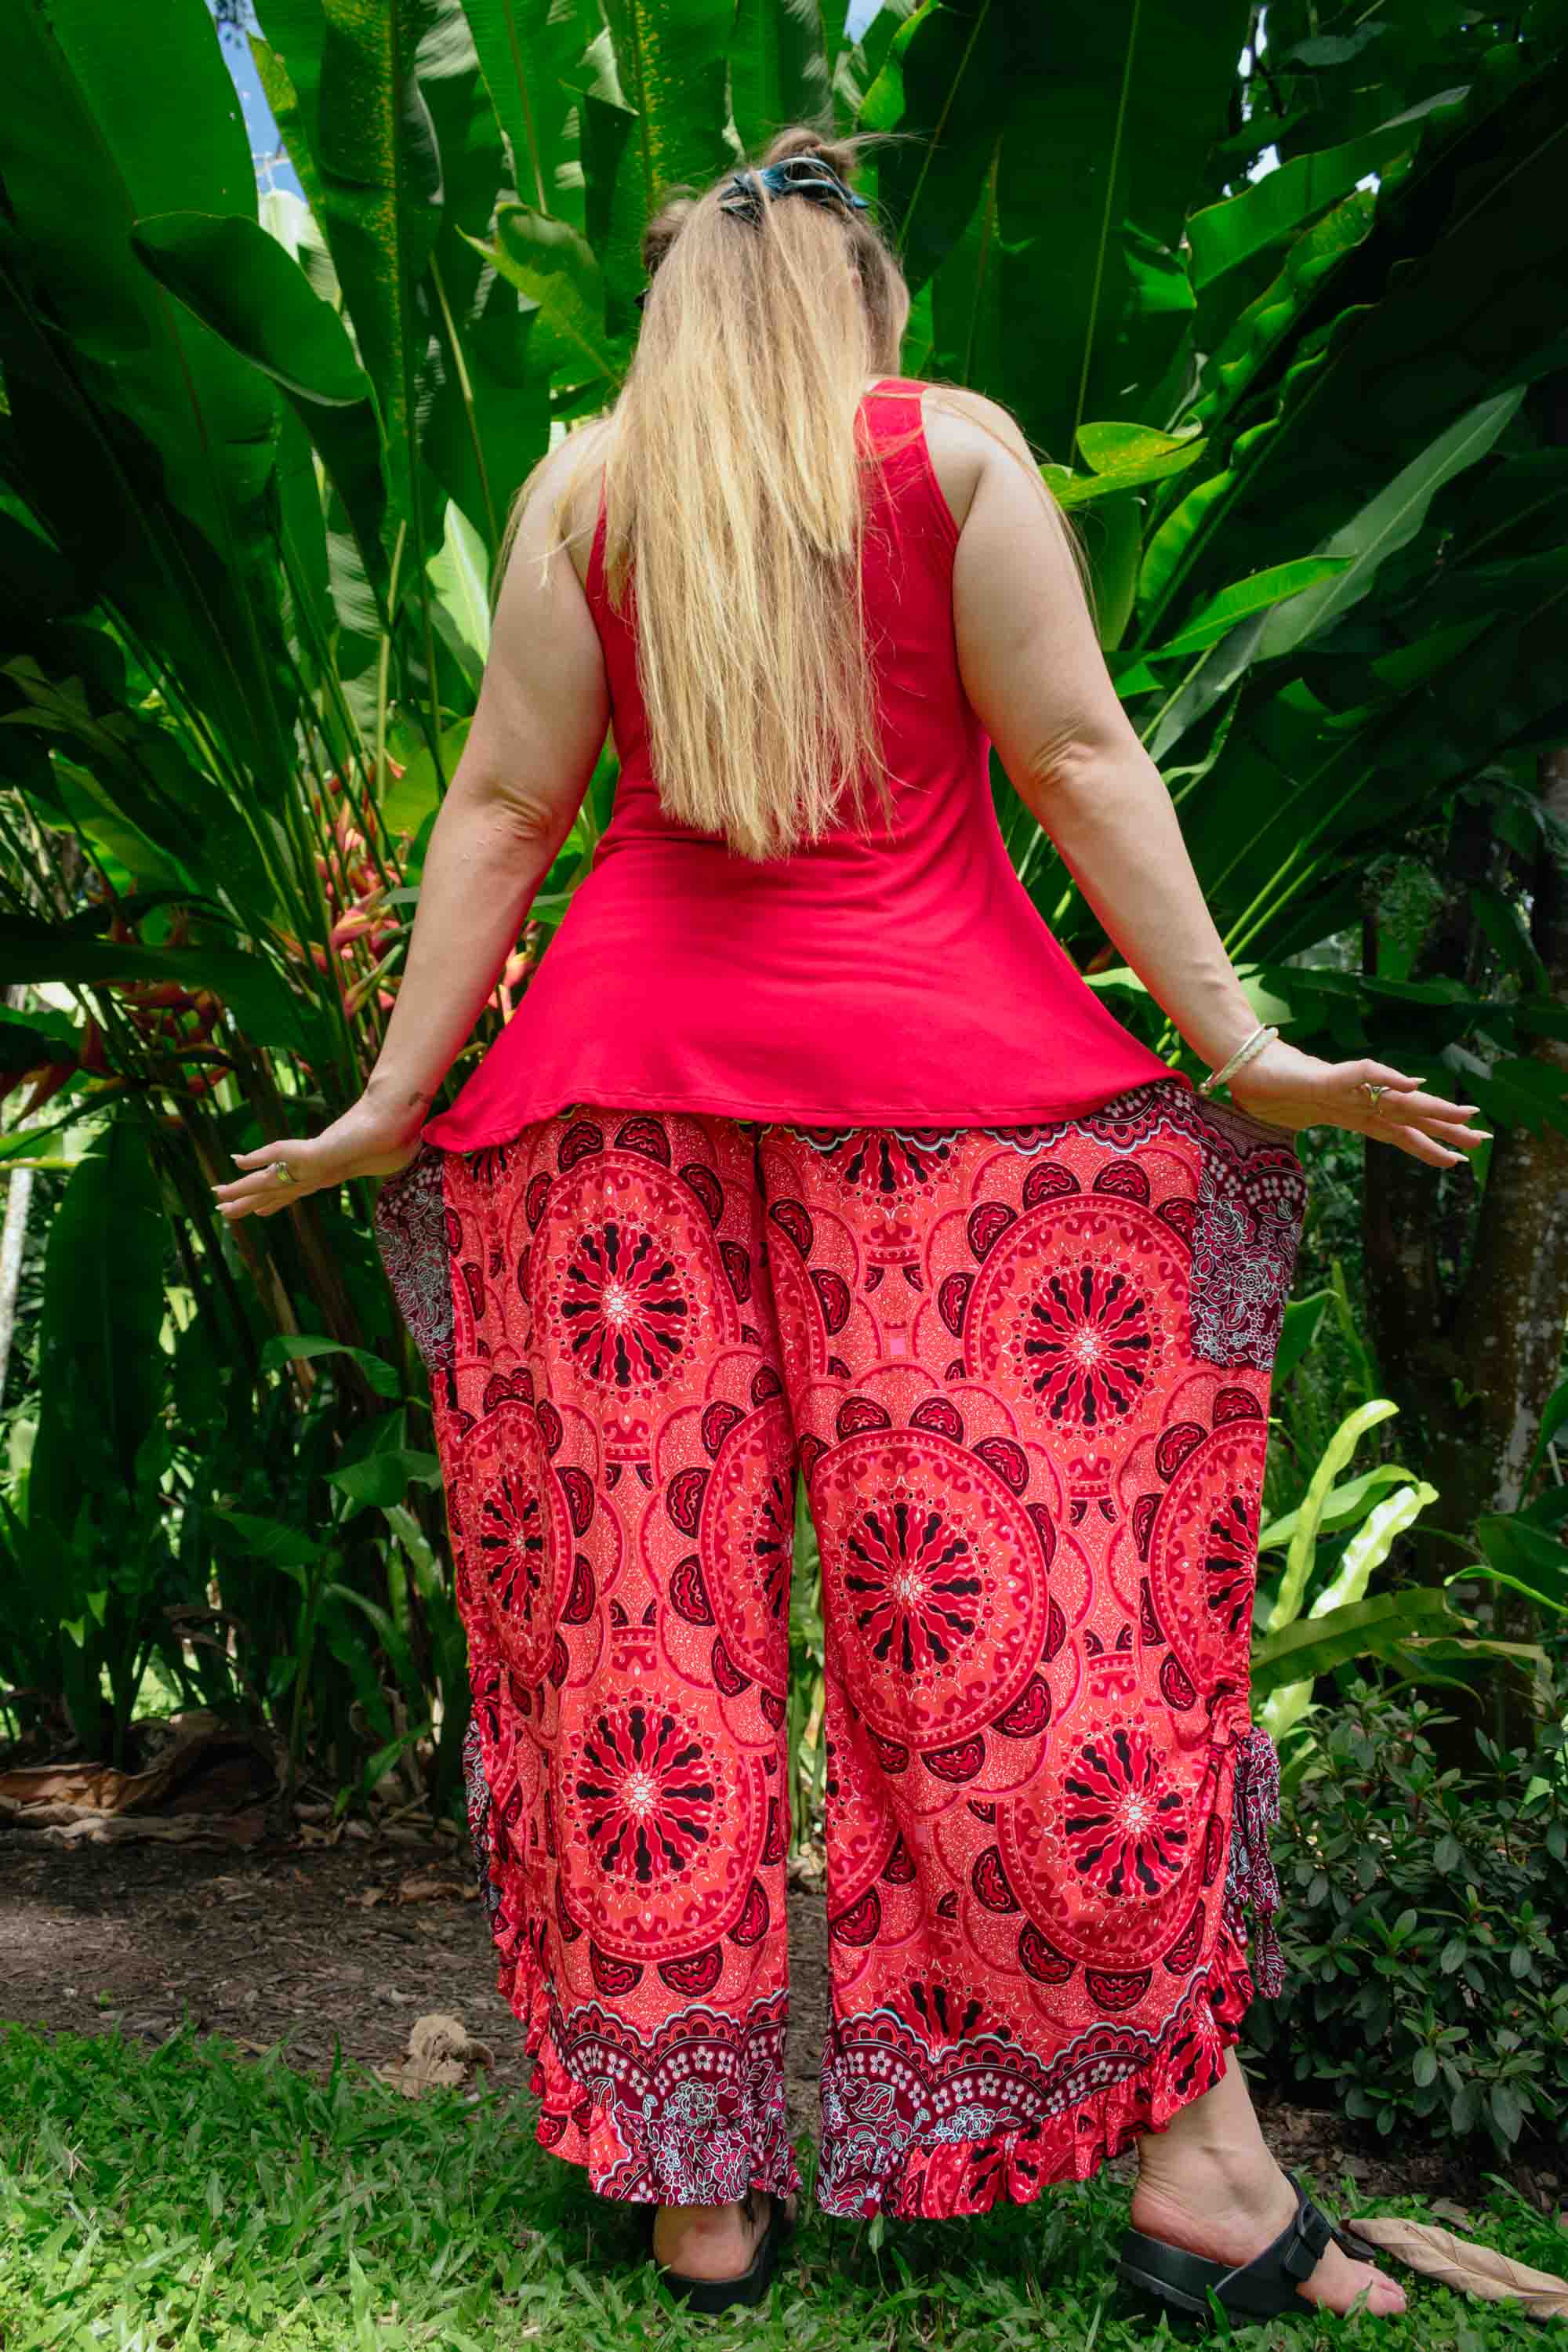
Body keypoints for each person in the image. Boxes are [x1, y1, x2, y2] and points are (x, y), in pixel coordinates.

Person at [213, 129, 1486, 2323]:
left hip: (604, 1127)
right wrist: (1244, 1048)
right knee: (1006, 1636)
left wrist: (392, 1103)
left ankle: (698, 2194)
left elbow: (506, 808)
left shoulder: (587, 496)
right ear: (861, 302)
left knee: (641, 1645)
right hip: (945, 1125)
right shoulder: (953, 462)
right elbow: (1076, 757)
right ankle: (1196, 2167)